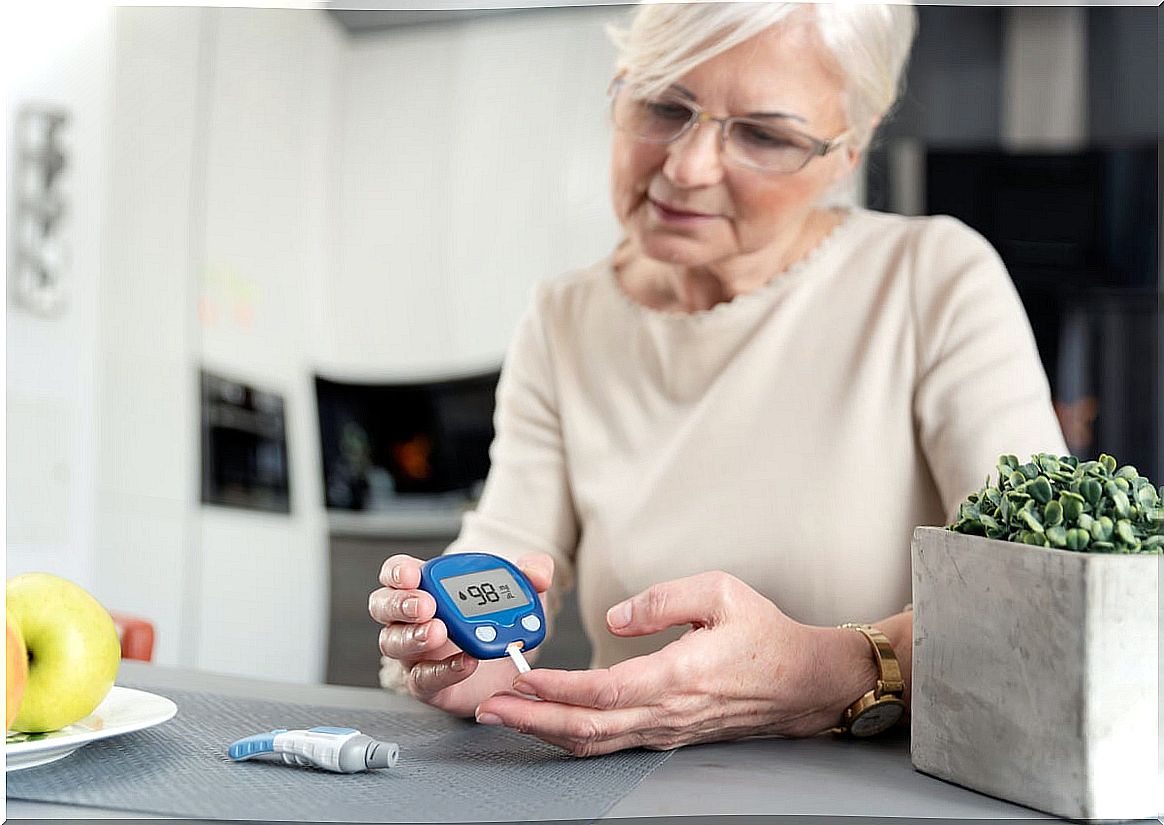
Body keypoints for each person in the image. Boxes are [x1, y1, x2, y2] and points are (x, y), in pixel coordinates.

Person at [368, 1, 1067, 756]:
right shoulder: (563, 317)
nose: (685, 167)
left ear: (850, 148)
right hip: (631, 793)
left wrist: (822, 672)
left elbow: (1043, 601)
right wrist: (447, 657)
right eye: (663, 105)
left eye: (766, 134)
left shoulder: (935, 278)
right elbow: (503, 557)